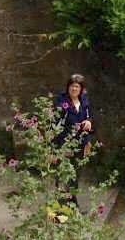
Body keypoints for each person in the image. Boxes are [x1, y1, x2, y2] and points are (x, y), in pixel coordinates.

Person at [53, 74, 95, 207]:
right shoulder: (61, 101)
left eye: (77, 86)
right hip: (64, 144)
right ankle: (60, 210)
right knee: (63, 175)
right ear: (68, 87)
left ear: (81, 89)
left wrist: (88, 122)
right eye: (72, 86)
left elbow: (89, 116)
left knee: (75, 175)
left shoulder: (84, 101)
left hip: (79, 144)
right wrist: (55, 148)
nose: (74, 89)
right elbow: (54, 124)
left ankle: (72, 206)